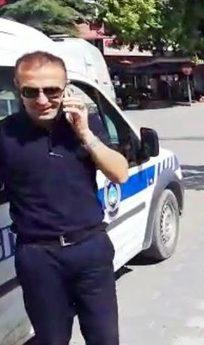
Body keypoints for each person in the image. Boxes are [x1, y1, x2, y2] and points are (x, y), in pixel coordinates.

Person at [0, 51, 129, 344]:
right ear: (18, 89)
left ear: (66, 87)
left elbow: (120, 173)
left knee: (105, 338)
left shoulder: (85, 124)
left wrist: (84, 133)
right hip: (38, 257)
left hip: (90, 250)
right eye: (31, 91)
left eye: (52, 90)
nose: (42, 99)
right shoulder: (5, 135)